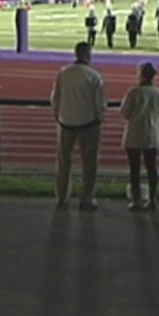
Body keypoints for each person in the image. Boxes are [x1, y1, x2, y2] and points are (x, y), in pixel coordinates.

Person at [50, 42, 106, 210]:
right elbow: (100, 103)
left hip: (65, 122)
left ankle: (62, 195)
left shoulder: (63, 73)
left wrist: (58, 116)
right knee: (89, 163)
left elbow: (55, 98)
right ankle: (87, 198)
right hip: (88, 123)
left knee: (63, 162)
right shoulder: (94, 76)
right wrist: (99, 119)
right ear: (88, 55)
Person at [120, 62, 159, 211]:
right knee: (151, 167)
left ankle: (136, 200)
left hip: (134, 133)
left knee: (134, 169)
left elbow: (125, 112)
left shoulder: (134, 92)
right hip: (151, 133)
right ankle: (152, 199)